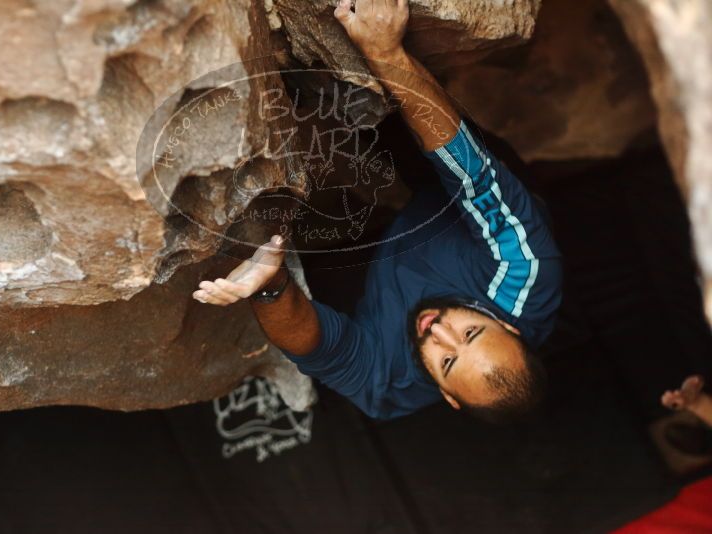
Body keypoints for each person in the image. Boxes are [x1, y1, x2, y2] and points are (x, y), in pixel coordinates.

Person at [193, 0, 563, 422]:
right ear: (511, 328)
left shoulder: (393, 386)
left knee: (338, 158)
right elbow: (471, 175)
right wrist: (388, 53)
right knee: (387, 110)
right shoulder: (525, 274)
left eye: (446, 362)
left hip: (379, 251)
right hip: (452, 195)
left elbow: (319, 348)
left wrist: (270, 284)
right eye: (471, 331)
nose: (439, 330)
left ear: (448, 396)